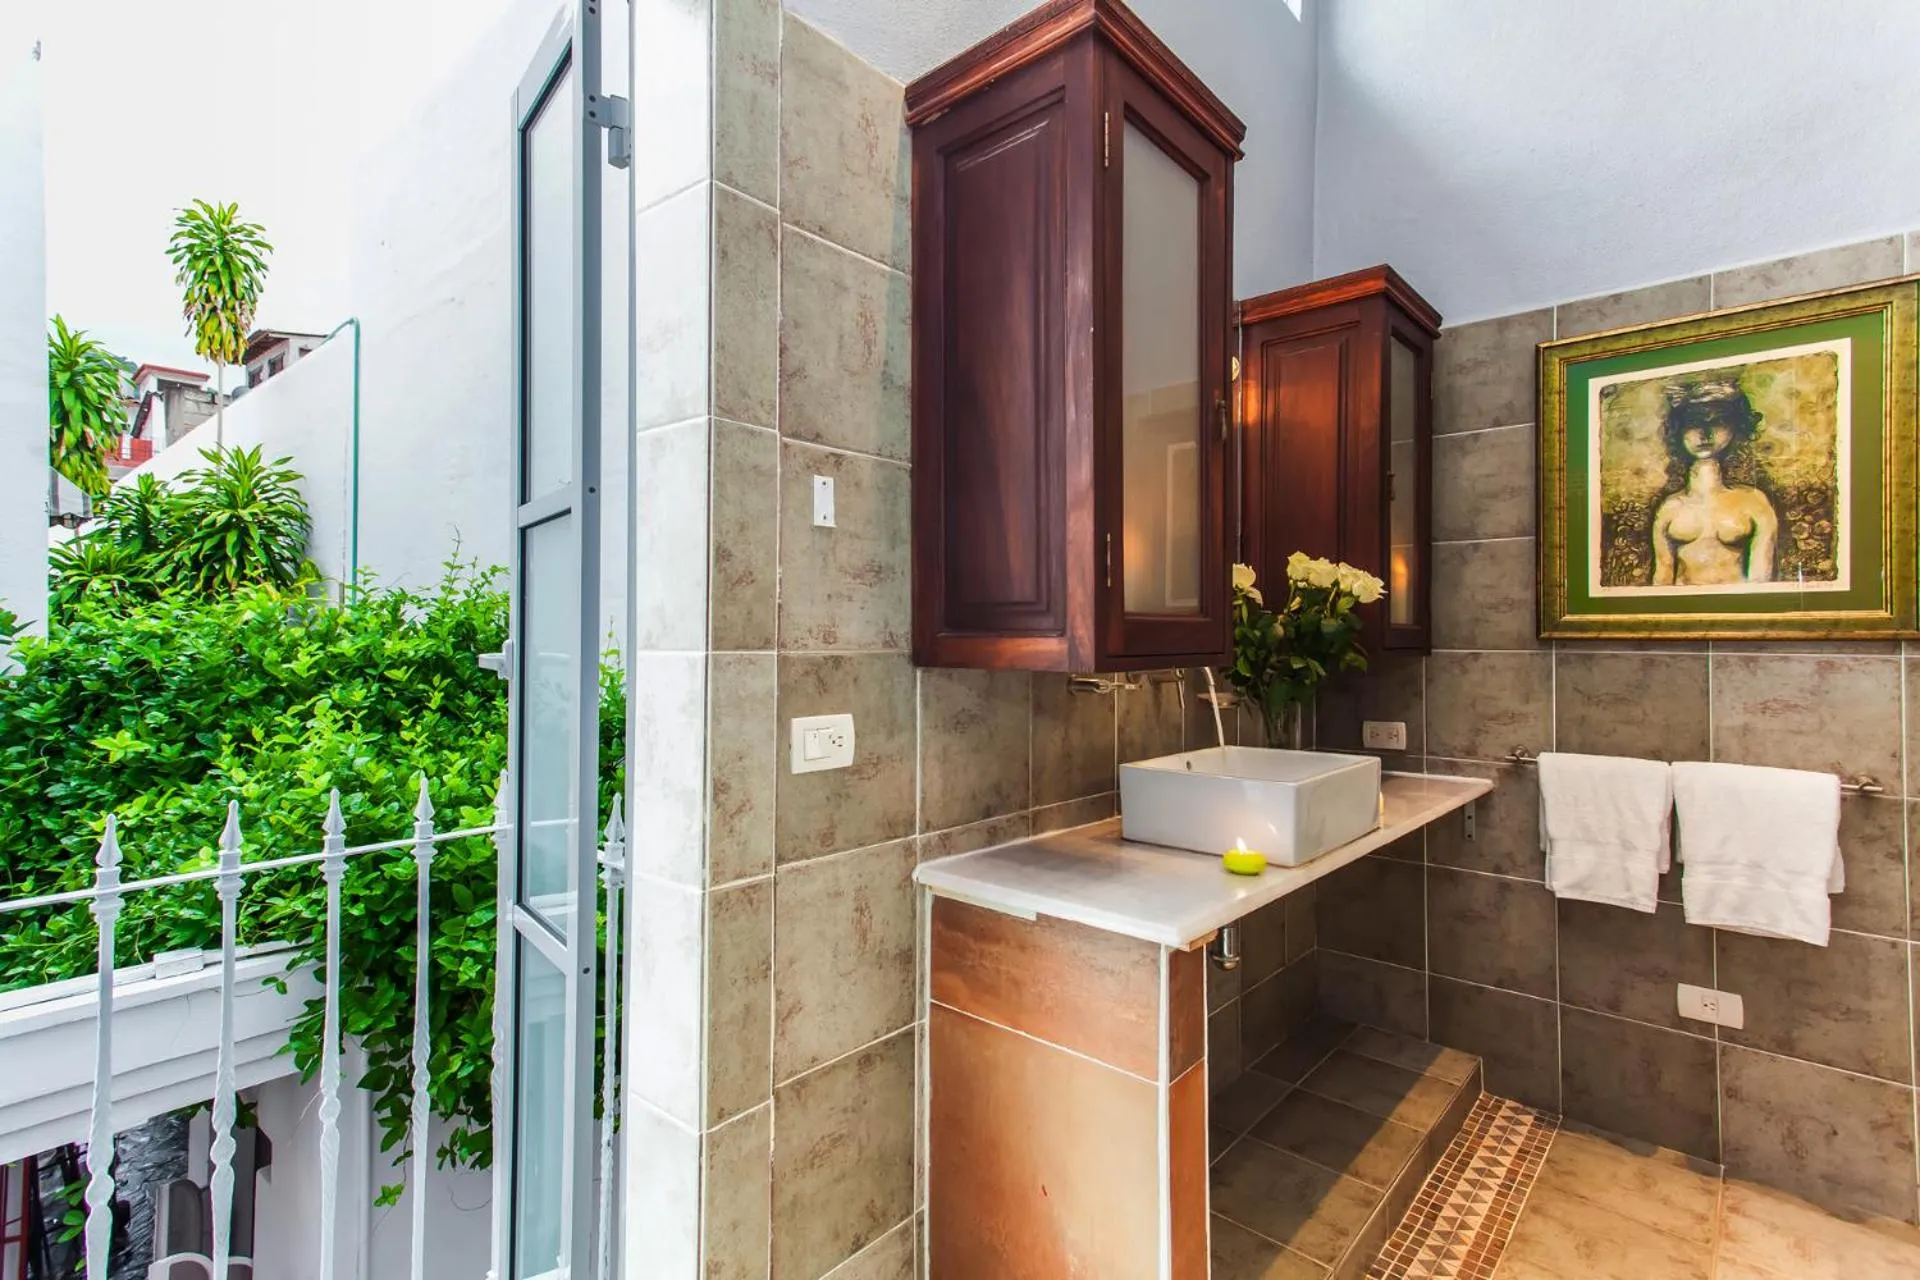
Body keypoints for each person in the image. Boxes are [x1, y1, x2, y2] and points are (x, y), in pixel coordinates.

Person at [1650, 378, 1778, 586]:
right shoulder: (1669, 509)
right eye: (1693, 423)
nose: (1704, 433)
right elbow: (1662, 579)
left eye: (1717, 421)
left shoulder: (1754, 501)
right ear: (1678, 431)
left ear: (1735, 428)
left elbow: (1761, 578)